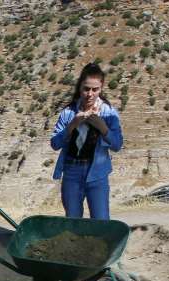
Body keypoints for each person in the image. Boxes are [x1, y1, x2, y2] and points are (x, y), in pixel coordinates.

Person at [50, 62, 124, 220]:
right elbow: (55, 144)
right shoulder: (68, 113)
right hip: (71, 172)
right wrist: (72, 125)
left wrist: (102, 127)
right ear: (80, 87)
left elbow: (117, 145)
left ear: (101, 88)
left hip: (97, 173)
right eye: (86, 89)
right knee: (73, 220)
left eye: (95, 89)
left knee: (101, 221)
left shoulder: (109, 113)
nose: (90, 94)